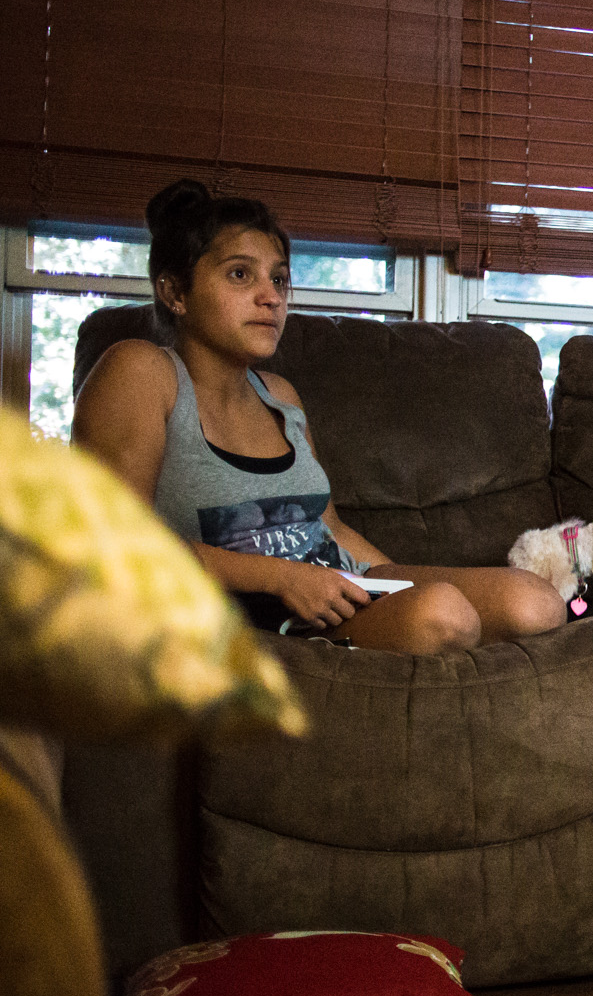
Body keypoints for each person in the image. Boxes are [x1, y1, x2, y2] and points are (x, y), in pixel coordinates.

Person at [73, 179, 565, 654]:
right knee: (444, 614)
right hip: (249, 615)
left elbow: (329, 527)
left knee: (536, 602)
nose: (271, 296)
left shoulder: (280, 397)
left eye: (279, 278)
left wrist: (400, 584)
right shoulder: (140, 371)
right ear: (175, 292)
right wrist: (282, 577)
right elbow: (113, 540)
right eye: (240, 274)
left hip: (335, 589)